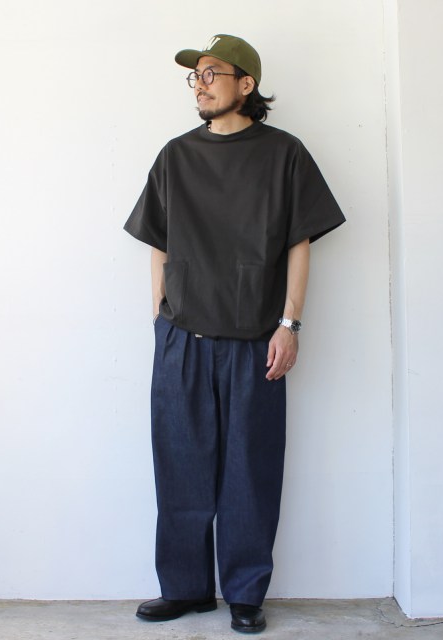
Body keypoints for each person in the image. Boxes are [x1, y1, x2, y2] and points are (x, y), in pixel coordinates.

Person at [123, 34, 346, 634]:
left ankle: (245, 593)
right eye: (194, 76)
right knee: (180, 467)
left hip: (255, 340)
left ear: (246, 84)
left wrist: (290, 324)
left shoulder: (284, 154)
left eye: (211, 74)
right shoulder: (175, 156)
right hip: (183, 338)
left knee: (251, 470)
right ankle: (186, 589)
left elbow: (300, 243)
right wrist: (159, 315)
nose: (199, 85)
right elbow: (158, 241)